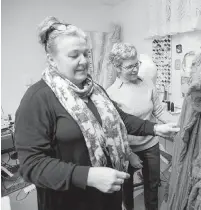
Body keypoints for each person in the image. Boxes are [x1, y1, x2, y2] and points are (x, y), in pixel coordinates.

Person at [14, 16, 179, 210]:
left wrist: (156, 128)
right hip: (70, 202)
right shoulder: (38, 99)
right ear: (52, 59)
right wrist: (88, 176)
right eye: (74, 55)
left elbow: (121, 119)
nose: (84, 61)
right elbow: (31, 165)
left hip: (107, 198)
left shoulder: (96, 90)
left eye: (86, 53)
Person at [107, 43, 175, 210]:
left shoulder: (147, 84)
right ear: (117, 67)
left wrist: (175, 124)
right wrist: (129, 154)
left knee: (152, 185)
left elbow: (159, 110)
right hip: (128, 148)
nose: (135, 69)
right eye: (129, 66)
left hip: (151, 144)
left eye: (137, 64)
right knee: (126, 189)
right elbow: (115, 131)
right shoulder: (111, 93)